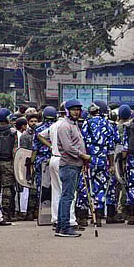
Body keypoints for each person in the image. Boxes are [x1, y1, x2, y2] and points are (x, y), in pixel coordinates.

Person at [38, 104, 79, 229]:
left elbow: (40, 135)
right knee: (68, 192)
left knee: (56, 191)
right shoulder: (67, 126)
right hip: (64, 159)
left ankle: (56, 218)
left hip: (54, 158)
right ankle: (70, 220)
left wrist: (50, 146)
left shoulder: (54, 125)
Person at [56, 99, 91, 237]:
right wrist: (83, 155)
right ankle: (64, 227)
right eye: (73, 109)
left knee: (66, 196)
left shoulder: (74, 125)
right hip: (69, 165)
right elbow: (68, 147)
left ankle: (61, 225)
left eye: (78, 109)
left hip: (75, 165)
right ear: (67, 111)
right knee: (67, 197)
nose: (76, 112)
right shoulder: (65, 126)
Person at [82, 100, 115, 226]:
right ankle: (99, 215)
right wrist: (111, 164)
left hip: (88, 159)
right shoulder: (108, 124)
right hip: (102, 161)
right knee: (101, 186)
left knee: (87, 186)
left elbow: (82, 143)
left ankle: (85, 215)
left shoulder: (86, 123)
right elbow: (112, 146)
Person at [0, 108, 18, 222]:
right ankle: (6, 212)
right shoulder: (13, 132)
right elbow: (15, 150)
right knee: (7, 188)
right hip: (7, 162)